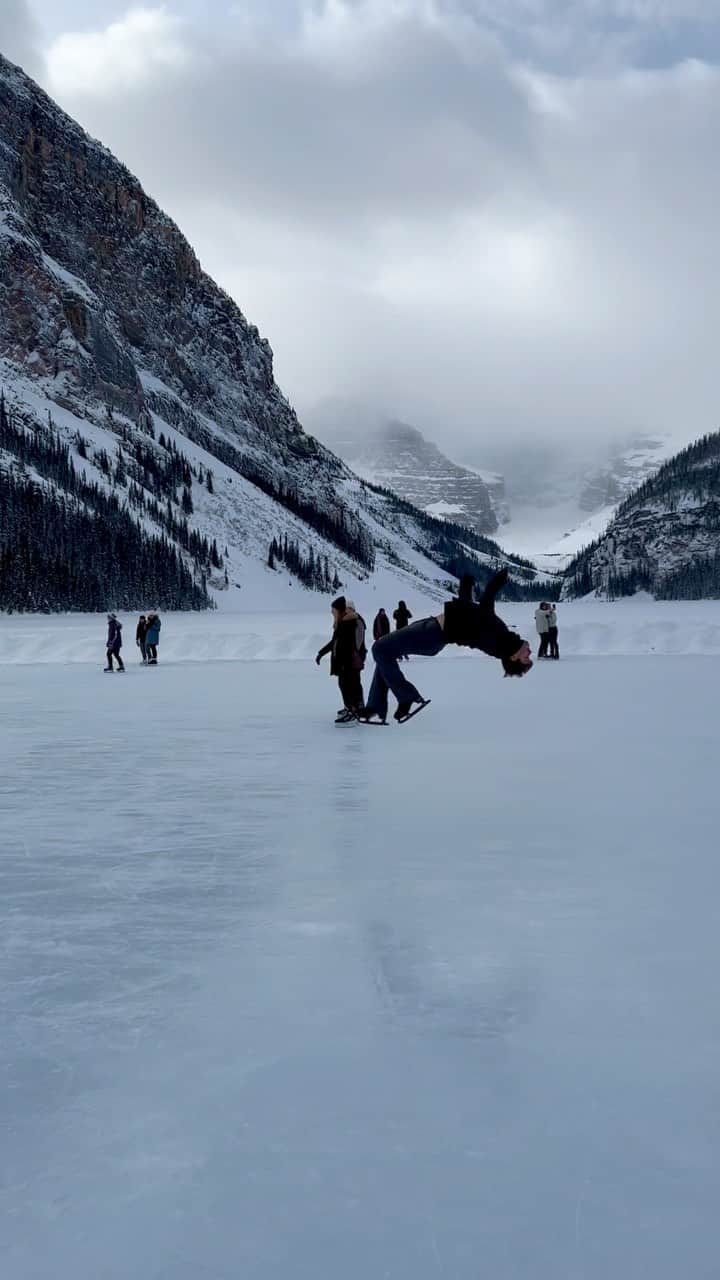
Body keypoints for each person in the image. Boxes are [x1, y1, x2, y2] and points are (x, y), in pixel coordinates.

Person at [359, 569, 532, 724]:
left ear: (514, 657)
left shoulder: (499, 643)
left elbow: (476, 616)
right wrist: (469, 586)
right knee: (385, 654)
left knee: (380, 648)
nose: (529, 652)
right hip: (431, 630)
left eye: (526, 657)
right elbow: (477, 613)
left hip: (432, 635)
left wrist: (491, 583)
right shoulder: (501, 639)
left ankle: (406, 697)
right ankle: (375, 708)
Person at [316, 595, 367, 722]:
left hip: (348, 661)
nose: (332, 613)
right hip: (345, 661)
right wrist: (321, 653)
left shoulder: (348, 623)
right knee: (347, 684)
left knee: (349, 684)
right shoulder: (342, 623)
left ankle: (353, 710)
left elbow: (351, 645)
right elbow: (335, 642)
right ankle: (352, 708)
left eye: (333, 611)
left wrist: (345, 662)